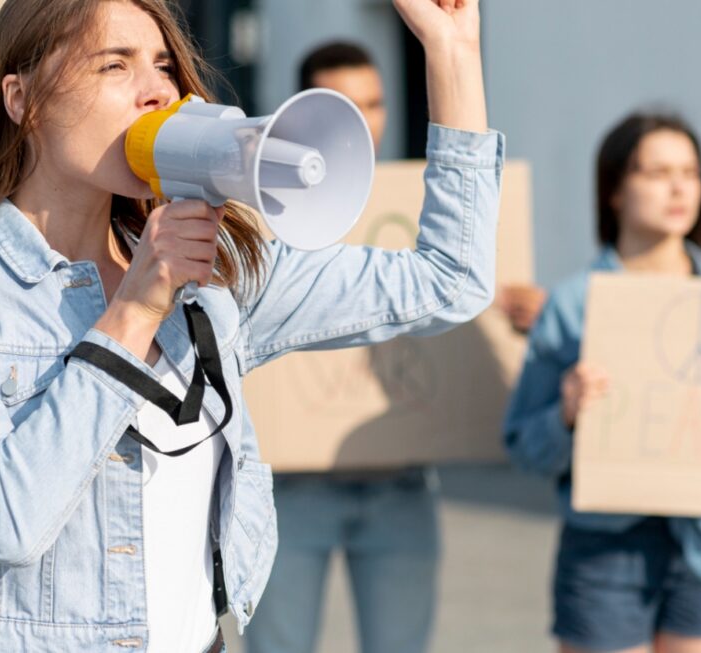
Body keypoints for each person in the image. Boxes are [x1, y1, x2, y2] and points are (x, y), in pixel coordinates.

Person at [0, 0, 501, 651]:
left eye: (165, 66)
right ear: (21, 97)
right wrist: (136, 306)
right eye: (115, 64)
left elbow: (451, 278)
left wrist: (452, 53)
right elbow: (8, 517)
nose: (158, 91)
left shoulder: (214, 275)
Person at [245, 40, 441, 653]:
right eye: (347, 103)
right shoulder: (257, 212)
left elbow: (450, 298)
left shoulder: (419, 211)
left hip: (401, 479)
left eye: (376, 102)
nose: (367, 118)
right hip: (292, 486)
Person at [504, 112, 701, 653]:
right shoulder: (575, 305)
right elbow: (525, 448)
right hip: (605, 551)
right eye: (657, 172)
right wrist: (566, 414)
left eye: (690, 172)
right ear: (616, 190)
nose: (677, 187)